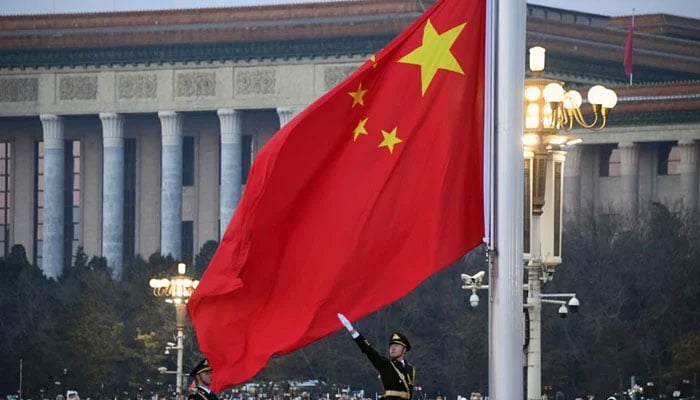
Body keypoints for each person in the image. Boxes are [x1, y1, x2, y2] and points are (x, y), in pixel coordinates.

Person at [337, 313, 415, 400]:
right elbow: (369, 351)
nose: (392, 348)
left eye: (396, 346)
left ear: (404, 350)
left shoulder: (410, 369)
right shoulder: (385, 365)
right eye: (391, 346)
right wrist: (352, 331)